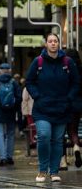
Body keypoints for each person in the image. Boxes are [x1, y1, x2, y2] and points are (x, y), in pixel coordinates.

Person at [26, 33, 79, 182]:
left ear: (59, 44)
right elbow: (29, 81)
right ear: (46, 44)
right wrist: (37, 96)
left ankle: (54, 171)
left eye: (56, 41)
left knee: (57, 140)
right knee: (43, 136)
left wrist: (69, 98)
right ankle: (42, 170)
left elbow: (76, 83)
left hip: (62, 108)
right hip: (42, 108)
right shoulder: (38, 62)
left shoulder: (68, 62)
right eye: (50, 41)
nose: (53, 43)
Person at [0, 62, 21, 167]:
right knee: (11, 134)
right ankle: (9, 157)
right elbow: (19, 97)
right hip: (11, 111)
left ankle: (2, 158)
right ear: (9, 71)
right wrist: (14, 107)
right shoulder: (14, 82)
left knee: (0, 134)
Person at [65, 49, 82, 168]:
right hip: (79, 105)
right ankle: (76, 146)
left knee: (61, 131)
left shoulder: (66, 70)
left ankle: (62, 161)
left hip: (66, 103)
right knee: (73, 130)